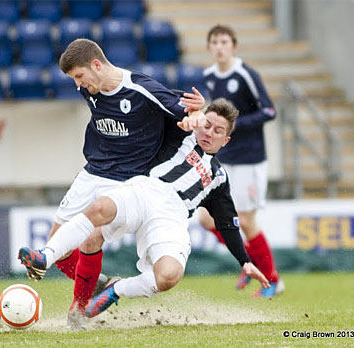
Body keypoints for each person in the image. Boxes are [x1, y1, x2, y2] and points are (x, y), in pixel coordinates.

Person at [19, 98, 270, 320]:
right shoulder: (179, 133)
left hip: (173, 216)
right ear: (200, 121)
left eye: (218, 131)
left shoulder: (219, 177)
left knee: (168, 277)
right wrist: (187, 110)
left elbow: (227, 222)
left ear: (225, 140)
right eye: (207, 125)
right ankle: (61, 281)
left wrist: (245, 262)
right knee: (97, 219)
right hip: (146, 190)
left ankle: (117, 289)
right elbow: (154, 103)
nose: (209, 133)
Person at [34, 38, 206, 324]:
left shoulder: (142, 88)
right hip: (92, 172)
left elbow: (185, 107)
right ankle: (97, 281)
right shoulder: (90, 89)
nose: (77, 85)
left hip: (126, 180)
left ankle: (79, 308)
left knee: (92, 236)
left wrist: (196, 114)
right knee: (58, 247)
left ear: (97, 65)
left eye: (79, 76)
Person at [200, 24, 284, 297]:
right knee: (206, 218)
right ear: (209, 47)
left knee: (246, 221)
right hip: (225, 158)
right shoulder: (209, 76)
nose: (220, 46)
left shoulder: (246, 74)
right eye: (215, 42)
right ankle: (249, 262)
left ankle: (272, 280)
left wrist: (237, 125)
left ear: (233, 46)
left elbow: (269, 111)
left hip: (249, 159)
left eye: (224, 41)